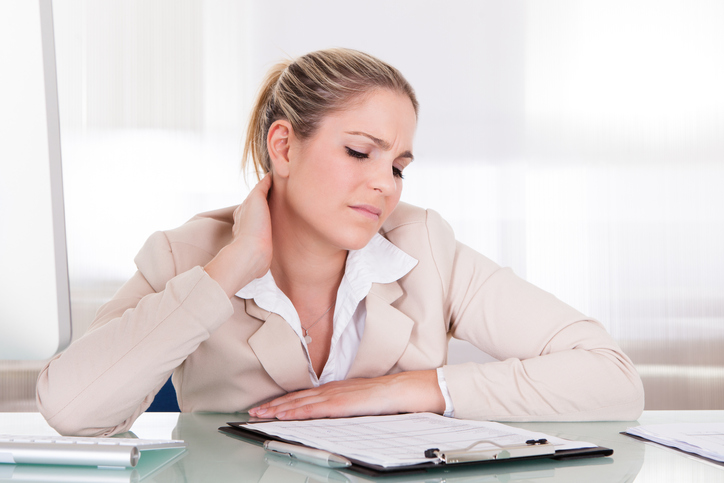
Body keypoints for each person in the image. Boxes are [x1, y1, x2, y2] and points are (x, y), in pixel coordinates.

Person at [36, 48, 644, 437]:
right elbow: (70, 409)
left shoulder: (423, 246)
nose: (385, 183)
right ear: (283, 147)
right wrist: (232, 269)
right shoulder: (186, 255)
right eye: (359, 152)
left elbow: (612, 380)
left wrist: (410, 391)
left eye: (399, 165)